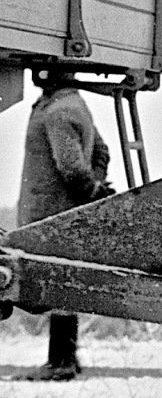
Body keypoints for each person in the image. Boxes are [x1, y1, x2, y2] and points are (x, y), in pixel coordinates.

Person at [14, 69, 113, 380]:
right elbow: (102, 151)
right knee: (61, 287)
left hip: (49, 214)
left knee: (55, 287)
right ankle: (64, 359)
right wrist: (95, 189)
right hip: (59, 212)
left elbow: (71, 167)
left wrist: (91, 191)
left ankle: (61, 363)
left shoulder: (59, 111)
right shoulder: (71, 105)